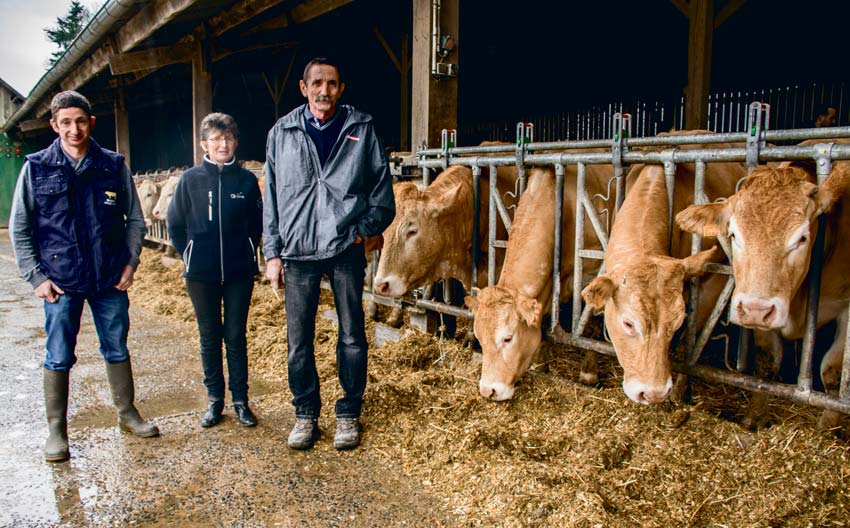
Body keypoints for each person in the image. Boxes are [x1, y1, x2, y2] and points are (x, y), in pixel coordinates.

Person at [9, 90, 159, 463]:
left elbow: (135, 219)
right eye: (66, 122)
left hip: (109, 277)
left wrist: (131, 262)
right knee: (58, 355)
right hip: (61, 281)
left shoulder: (112, 164)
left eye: (80, 121)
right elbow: (20, 227)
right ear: (54, 125)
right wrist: (36, 277)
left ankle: (127, 414)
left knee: (117, 347)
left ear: (90, 122)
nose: (74, 129)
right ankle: (56, 433)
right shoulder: (37, 166)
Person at [263, 57, 395, 450]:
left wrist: (362, 232)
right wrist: (273, 253)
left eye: (333, 84)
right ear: (303, 88)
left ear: (341, 88)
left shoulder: (362, 127)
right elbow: (271, 198)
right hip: (298, 251)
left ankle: (348, 413)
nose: (325, 91)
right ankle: (305, 413)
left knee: (352, 335)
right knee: (298, 340)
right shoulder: (281, 132)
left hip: (344, 248)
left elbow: (382, 195)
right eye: (317, 83)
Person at [167, 113, 262, 428]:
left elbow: (256, 224)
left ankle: (241, 401)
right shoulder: (190, 179)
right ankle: (214, 401)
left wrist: (248, 250)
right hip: (201, 274)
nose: (223, 144)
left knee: (235, 335)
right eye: (216, 138)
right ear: (204, 143)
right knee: (209, 336)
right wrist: (190, 254)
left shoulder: (247, 181)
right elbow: (176, 224)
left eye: (228, 138)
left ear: (235, 142)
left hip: (238, 272)